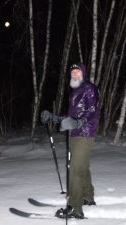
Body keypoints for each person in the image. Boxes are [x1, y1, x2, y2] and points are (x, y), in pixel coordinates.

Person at [41, 62, 100, 219]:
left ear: (83, 73)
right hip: (75, 134)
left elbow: (92, 112)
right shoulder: (75, 92)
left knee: (75, 169)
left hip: (85, 133)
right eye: (72, 72)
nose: (74, 75)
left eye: (77, 72)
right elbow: (71, 118)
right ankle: (88, 197)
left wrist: (79, 123)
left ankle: (75, 208)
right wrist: (53, 118)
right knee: (82, 167)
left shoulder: (89, 88)